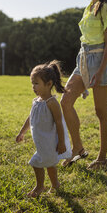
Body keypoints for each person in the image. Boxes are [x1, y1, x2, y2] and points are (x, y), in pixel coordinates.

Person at [61, 0, 107, 169]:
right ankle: (77, 147)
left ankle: (102, 158)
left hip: (100, 59)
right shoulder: (88, 7)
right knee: (66, 101)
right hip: (83, 59)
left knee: (100, 111)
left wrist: (100, 71)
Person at [16, 60, 72, 197]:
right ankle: (55, 184)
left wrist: (61, 142)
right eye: (32, 83)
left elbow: (59, 123)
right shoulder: (36, 101)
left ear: (48, 84)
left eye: (36, 83)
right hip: (41, 142)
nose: (33, 87)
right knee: (50, 165)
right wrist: (22, 132)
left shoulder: (52, 103)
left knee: (36, 163)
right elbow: (30, 118)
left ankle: (39, 187)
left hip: (49, 142)